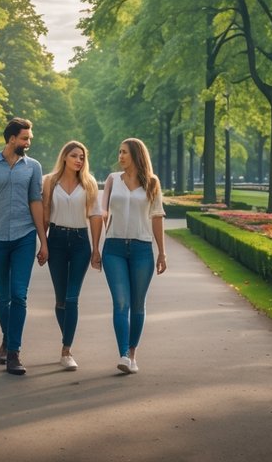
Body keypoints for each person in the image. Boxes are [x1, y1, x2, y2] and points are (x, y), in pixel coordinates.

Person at [0, 117, 48, 376]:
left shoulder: (33, 167)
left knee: (19, 295)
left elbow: (36, 202)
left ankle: (14, 352)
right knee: (3, 297)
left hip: (24, 237)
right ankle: (6, 338)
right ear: (12, 138)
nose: (28, 143)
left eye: (29, 139)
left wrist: (43, 240)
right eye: (25, 138)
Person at [100, 137, 167, 374]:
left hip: (142, 249)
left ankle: (132, 353)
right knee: (121, 303)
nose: (120, 156)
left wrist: (162, 253)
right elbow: (102, 210)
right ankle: (122, 355)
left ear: (137, 155)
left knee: (137, 305)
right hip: (114, 248)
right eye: (119, 152)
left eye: (124, 152)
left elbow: (157, 217)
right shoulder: (112, 180)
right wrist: (96, 244)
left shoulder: (152, 183)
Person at [42, 140, 104, 370]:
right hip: (56, 240)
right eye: (75, 156)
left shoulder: (88, 184)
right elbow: (45, 215)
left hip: (80, 242)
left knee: (71, 297)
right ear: (65, 157)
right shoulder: (49, 181)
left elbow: (96, 216)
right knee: (60, 300)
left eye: (82, 157)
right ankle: (66, 341)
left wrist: (96, 248)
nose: (79, 160)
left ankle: (66, 350)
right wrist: (43, 244)